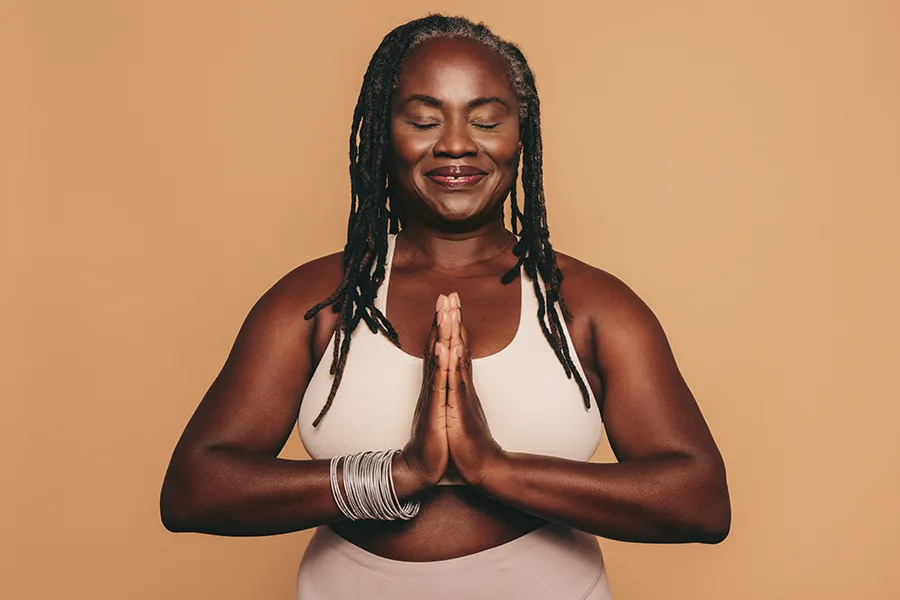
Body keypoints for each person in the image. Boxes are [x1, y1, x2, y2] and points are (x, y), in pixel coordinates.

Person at [160, 14, 731, 600]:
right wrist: (401, 473)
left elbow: (700, 501)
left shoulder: (591, 306)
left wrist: (492, 468)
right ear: (385, 135)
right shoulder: (319, 300)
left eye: (485, 120)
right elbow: (195, 489)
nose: (456, 143)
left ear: (521, 136)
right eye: (424, 120)